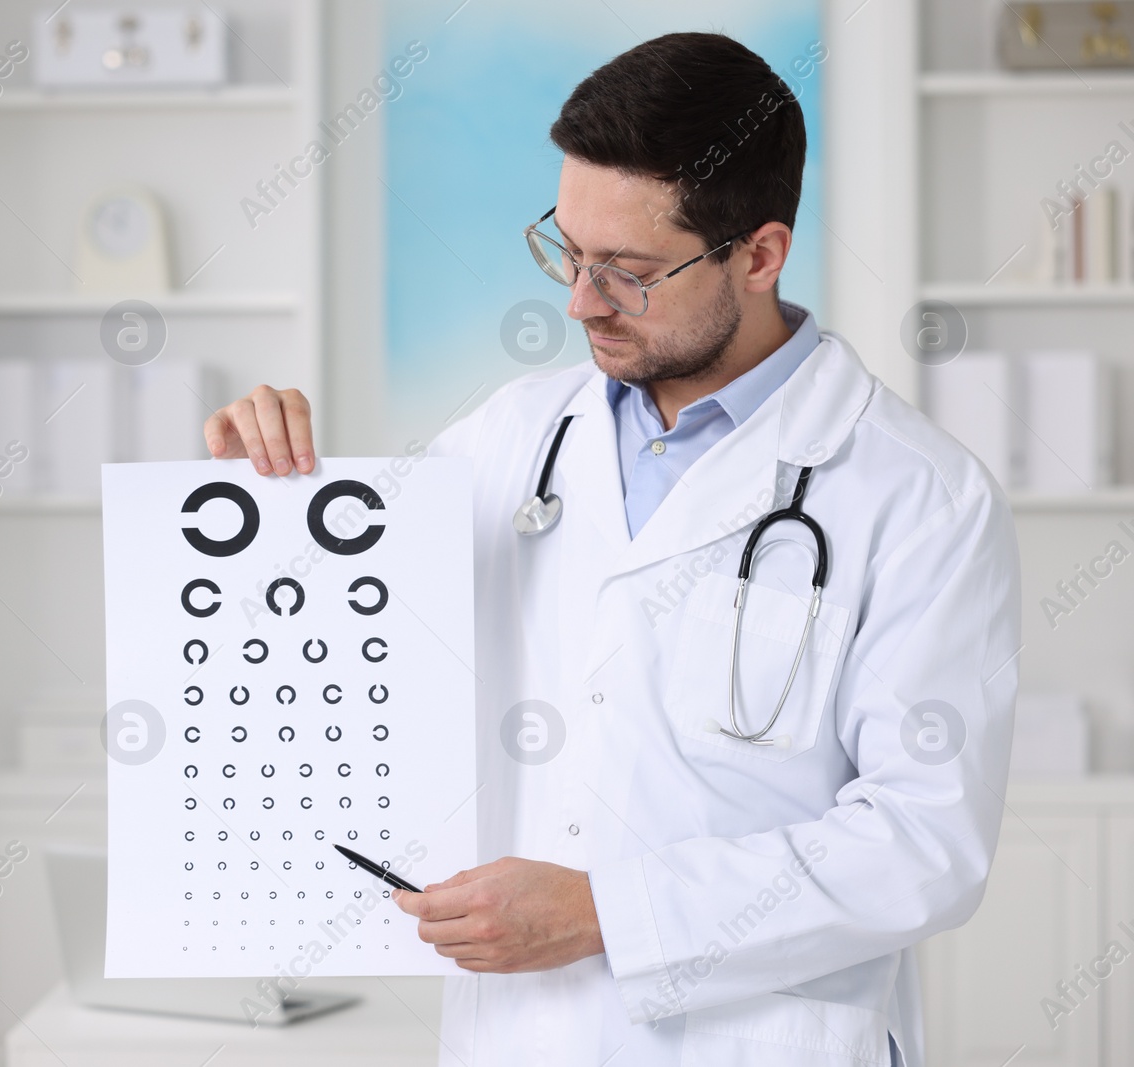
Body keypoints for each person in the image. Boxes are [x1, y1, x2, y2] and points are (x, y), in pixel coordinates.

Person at [202, 31, 1019, 1067]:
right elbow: (341, 643)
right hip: (520, 1035)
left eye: (627, 272)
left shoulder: (917, 495)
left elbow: (923, 846)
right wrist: (262, 487)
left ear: (759, 255)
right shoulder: (509, 435)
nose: (580, 301)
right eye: (567, 251)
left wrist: (605, 913)